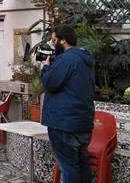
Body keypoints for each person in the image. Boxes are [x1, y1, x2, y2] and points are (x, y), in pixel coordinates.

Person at [41, 25, 96, 183]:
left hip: (64, 123)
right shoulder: (85, 59)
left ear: (62, 40)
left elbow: (51, 83)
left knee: (69, 167)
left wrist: (45, 67)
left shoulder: (66, 59)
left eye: (54, 40)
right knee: (82, 164)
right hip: (83, 122)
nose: (53, 44)